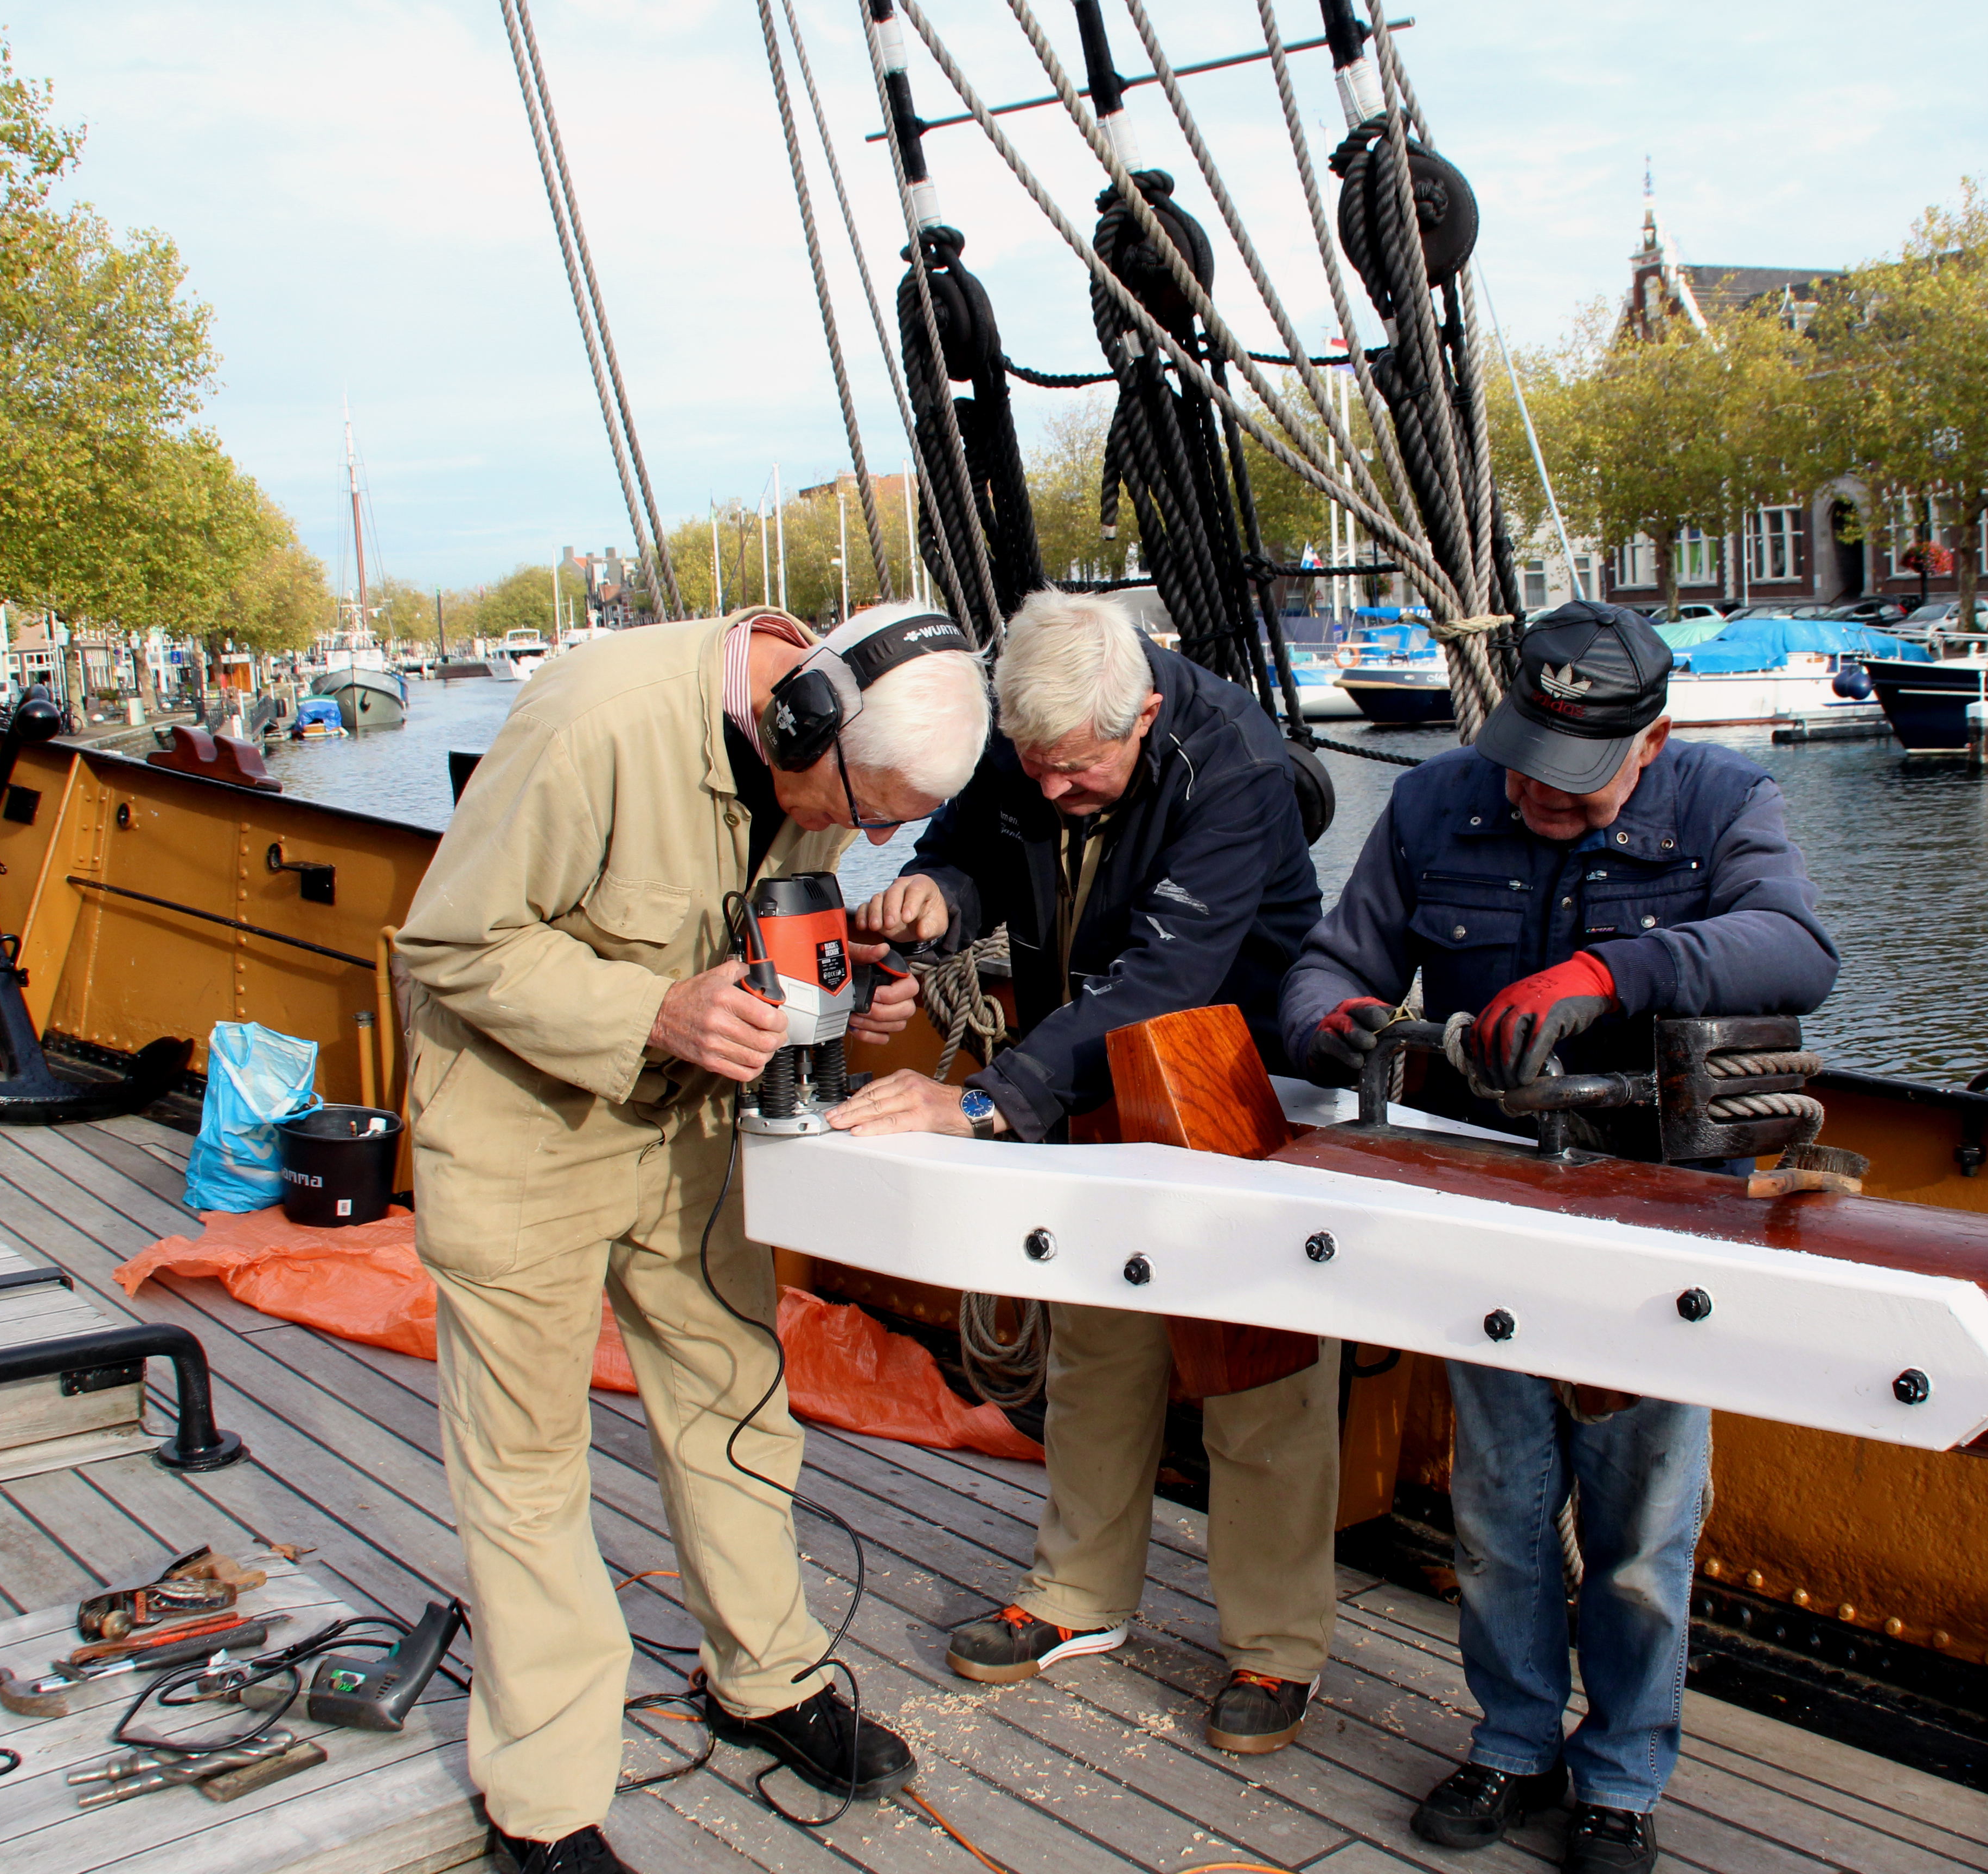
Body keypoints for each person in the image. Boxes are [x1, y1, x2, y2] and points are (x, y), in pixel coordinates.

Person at [397, 601, 988, 1874]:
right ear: (801, 717)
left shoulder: (815, 760)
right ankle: (544, 1802)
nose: (872, 836)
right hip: (520, 1127)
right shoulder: (591, 720)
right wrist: (657, 1010)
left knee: (734, 1397)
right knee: (528, 1460)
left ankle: (763, 1679)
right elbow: (452, 939)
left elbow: (758, 921)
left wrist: (845, 988)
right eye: (864, 805)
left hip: (687, 1133)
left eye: (894, 825)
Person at [1277, 600, 1838, 1874]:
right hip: (1488, 1205)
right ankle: (1515, 1744)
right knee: (1501, 1502)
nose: (1539, 793)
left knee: (1640, 1530)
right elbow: (1323, 969)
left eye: (1577, 780)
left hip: (1656, 1216)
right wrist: (1345, 1026)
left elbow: (1798, 949)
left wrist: (1607, 976)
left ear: (1654, 743)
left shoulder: (1725, 802)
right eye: (1526, 758)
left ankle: (1623, 1781)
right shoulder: (1433, 806)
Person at [831, 588, 1333, 1754]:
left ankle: (1275, 1648)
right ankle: (1078, 1598)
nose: (1050, 790)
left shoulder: (1238, 770)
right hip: (1095, 1077)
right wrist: (934, 899)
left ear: (1147, 712)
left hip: (1227, 1077)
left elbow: (1171, 976)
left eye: (1076, 771)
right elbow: (975, 855)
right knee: (1098, 1346)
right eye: (1033, 766)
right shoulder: (1040, 743)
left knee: (1253, 1369)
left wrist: (984, 1103)